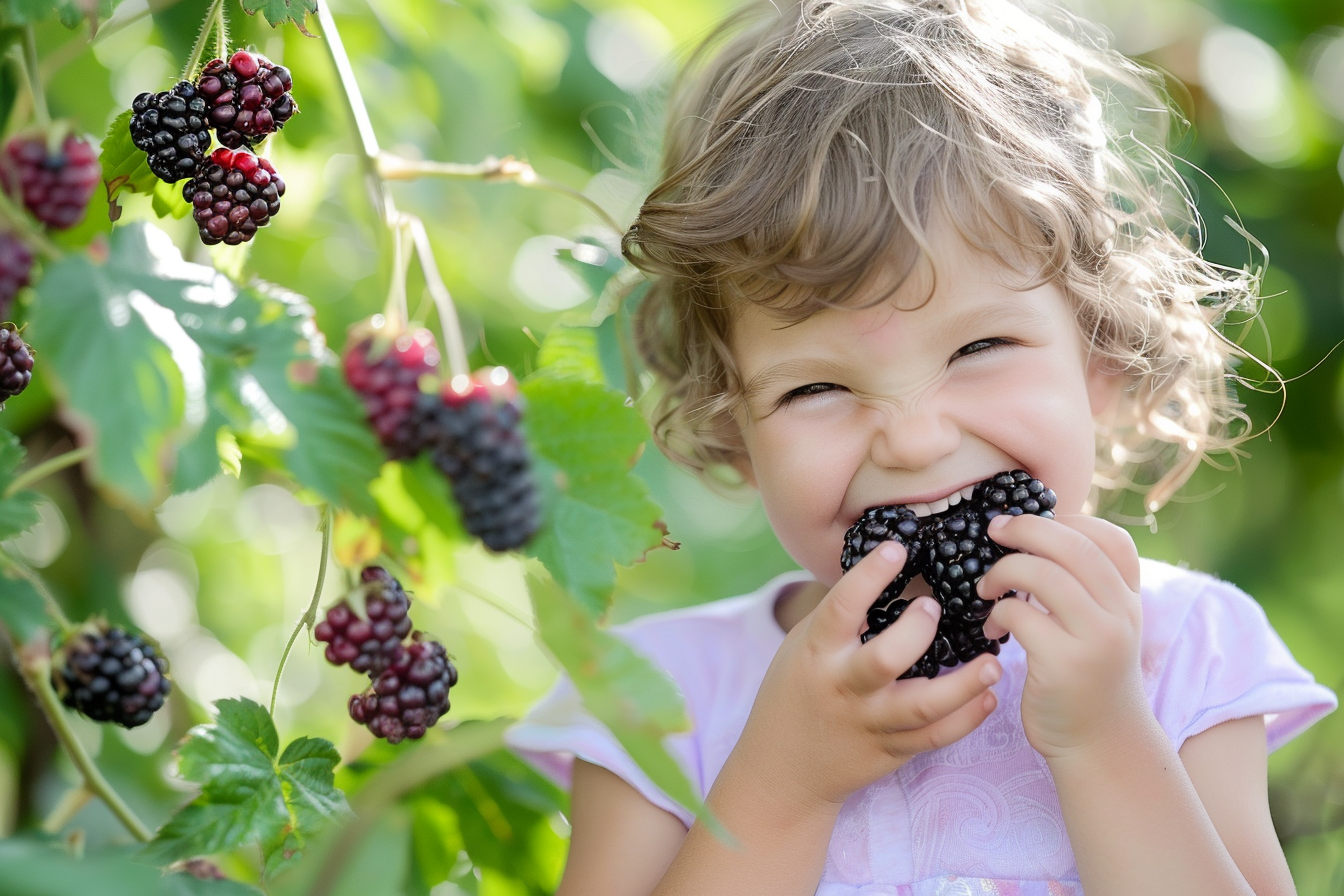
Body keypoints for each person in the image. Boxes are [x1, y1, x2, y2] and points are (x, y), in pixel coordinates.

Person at [506, 1, 1338, 893]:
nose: (910, 439)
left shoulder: (1185, 655)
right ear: (734, 433)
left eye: (979, 349)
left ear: (1100, 358)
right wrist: (781, 785)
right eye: (814, 389)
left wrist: (1106, 736)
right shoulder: (659, 699)